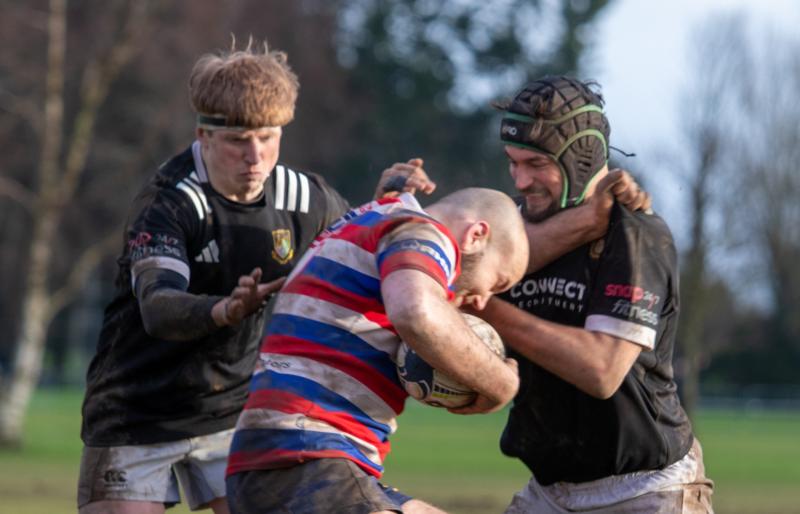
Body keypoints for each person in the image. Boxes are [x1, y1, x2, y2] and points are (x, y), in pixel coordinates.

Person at [77, 41, 427, 514]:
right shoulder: (169, 202)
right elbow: (159, 307)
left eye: (268, 137)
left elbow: (353, 249)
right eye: (239, 141)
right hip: (136, 410)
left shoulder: (306, 198)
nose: (256, 156)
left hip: (235, 412)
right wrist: (225, 309)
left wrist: (384, 202)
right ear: (204, 134)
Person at [472, 76, 713, 513]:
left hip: (643, 491)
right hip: (549, 492)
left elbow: (601, 370)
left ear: (580, 158)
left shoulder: (636, 232)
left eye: (535, 164)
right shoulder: (510, 226)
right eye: (512, 162)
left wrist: (485, 308)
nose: (520, 180)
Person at [224, 188, 530, 514]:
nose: (483, 301)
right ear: (476, 235)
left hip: (281, 459)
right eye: (497, 283)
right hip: (309, 452)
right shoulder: (424, 231)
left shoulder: (379, 217)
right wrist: (501, 383)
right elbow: (416, 311)